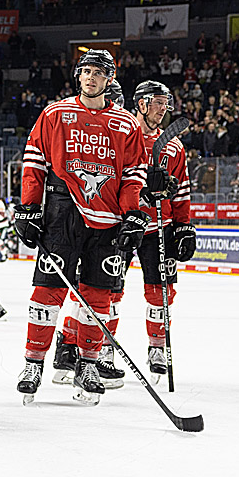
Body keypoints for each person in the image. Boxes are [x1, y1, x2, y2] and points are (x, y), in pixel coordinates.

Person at [12, 48, 171, 406]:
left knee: (97, 295)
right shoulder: (56, 113)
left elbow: (133, 174)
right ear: (77, 76)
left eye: (98, 73)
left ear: (109, 79)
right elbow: (34, 160)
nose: (90, 78)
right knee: (48, 289)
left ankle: (87, 364)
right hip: (62, 212)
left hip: (107, 220)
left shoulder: (126, 124)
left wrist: (133, 213)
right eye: (85, 71)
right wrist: (27, 207)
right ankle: (33, 362)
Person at [53, 80, 194, 388]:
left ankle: (157, 348)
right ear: (141, 103)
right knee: (106, 290)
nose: (163, 109)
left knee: (161, 292)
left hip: (160, 227)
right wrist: (144, 190)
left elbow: (181, 189)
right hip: (123, 223)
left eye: (165, 102)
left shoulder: (173, 146)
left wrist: (184, 225)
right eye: (157, 102)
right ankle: (96, 350)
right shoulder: (121, 133)